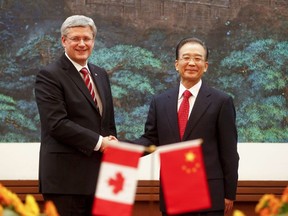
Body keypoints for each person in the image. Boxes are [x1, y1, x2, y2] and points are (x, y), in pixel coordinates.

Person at [135, 37, 239, 216]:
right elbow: (151, 139)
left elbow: (229, 151)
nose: (191, 63)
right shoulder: (160, 102)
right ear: (177, 64)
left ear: (205, 66)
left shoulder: (221, 101)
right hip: (173, 192)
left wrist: (229, 193)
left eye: (198, 59)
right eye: (186, 58)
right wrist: (119, 147)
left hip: (209, 196)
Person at [34, 15, 117, 216]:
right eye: (75, 38)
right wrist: (101, 142)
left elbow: (107, 123)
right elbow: (57, 124)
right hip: (66, 181)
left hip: (101, 181)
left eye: (87, 39)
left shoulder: (100, 74)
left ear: (93, 41)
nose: (82, 43)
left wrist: (112, 141)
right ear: (64, 41)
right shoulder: (49, 75)